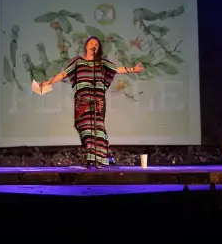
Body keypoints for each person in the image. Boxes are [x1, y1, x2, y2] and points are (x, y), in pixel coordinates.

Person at [40, 36, 144, 168]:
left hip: (97, 100)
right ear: (86, 46)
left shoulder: (102, 63)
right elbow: (63, 74)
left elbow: (116, 69)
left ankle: (99, 158)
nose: (93, 45)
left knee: (97, 128)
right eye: (91, 43)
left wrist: (133, 69)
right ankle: (96, 155)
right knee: (84, 128)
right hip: (82, 101)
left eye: (96, 44)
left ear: (98, 48)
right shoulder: (78, 61)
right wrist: (47, 83)